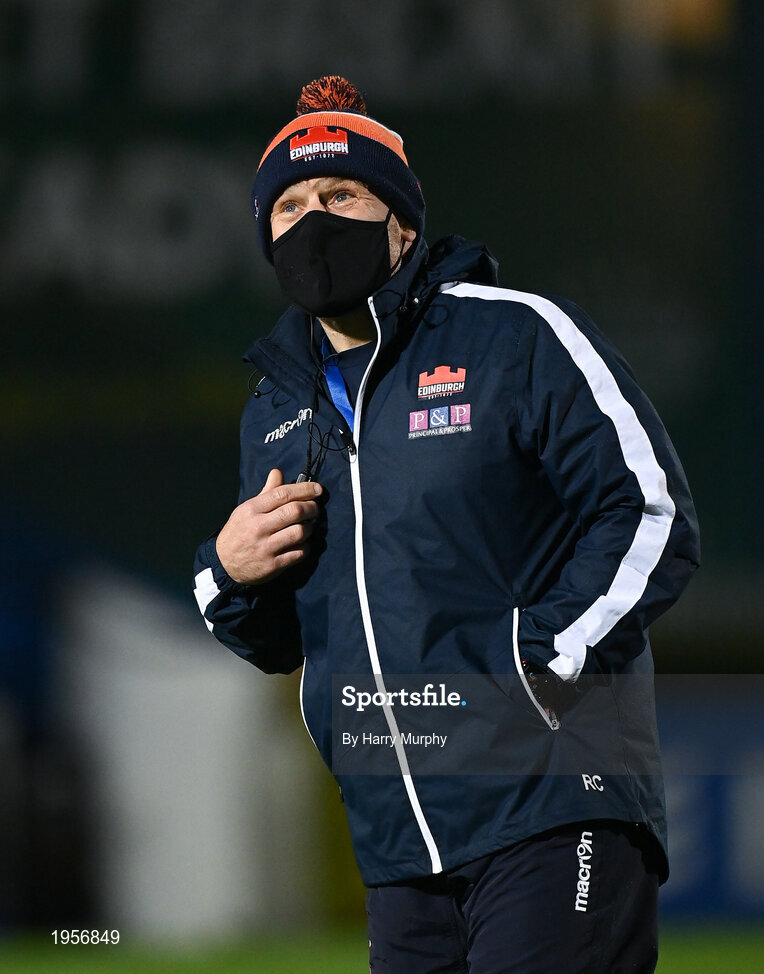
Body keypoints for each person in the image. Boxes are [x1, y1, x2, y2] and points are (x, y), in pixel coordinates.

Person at [193, 76, 700, 974]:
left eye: (342, 195)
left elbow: (650, 510)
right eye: (292, 206)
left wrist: (533, 663)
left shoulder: (515, 337)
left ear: (401, 225)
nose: (315, 222)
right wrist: (231, 572)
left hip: (552, 798)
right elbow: (281, 639)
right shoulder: (274, 411)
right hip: (398, 844)